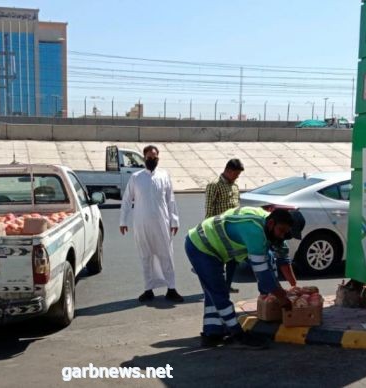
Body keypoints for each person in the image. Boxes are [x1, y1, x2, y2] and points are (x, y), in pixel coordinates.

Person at [184, 206, 304, 347]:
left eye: (286, 233)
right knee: (219, 292)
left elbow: (278, 259)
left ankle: (212, 334)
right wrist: (281, 297)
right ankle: (238, 336)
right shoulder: (255, 232)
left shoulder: (270, 222)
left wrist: (286, 288)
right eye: (282, 232)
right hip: (201, 246)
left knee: (214, 293)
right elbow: (263, 274)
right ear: (271, 224)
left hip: (219, 247)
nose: (282, 236)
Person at [120, 145, 184, 303]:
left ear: (158, 158)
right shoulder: (136, 177)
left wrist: (174, 220)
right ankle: (148, 290)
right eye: (149, 157)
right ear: (144, 158)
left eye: (155, 157)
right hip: (141, 224)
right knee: (145, 256)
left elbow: (171, 199)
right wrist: (123, 221)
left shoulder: (164, 175)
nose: (152, 160)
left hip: (163, 222)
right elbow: (127, 199)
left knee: (167, 255)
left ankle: (171, 288)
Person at [204, 158, 245, 293]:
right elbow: (209, 209)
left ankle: (227, 285)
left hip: (234, 229)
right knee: (219, 260)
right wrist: (208, 230)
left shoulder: (235, 186)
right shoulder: (214, 185)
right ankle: (218, 286)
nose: (237, 177)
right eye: (236, 174)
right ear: (228, 170)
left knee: (233, 259)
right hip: (218, 229)